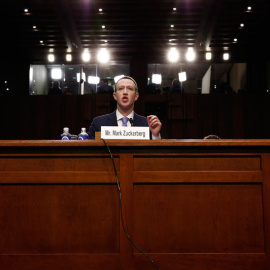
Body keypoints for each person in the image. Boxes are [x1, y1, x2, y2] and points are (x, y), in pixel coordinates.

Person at [88, 76, 162, 140]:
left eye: (130, 88)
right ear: (115, 96)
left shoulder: (147, 125)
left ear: (136, 96)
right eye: (120, 88)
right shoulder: (98, 123)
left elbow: (155, 154)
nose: (125, 92)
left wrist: (155, 136)